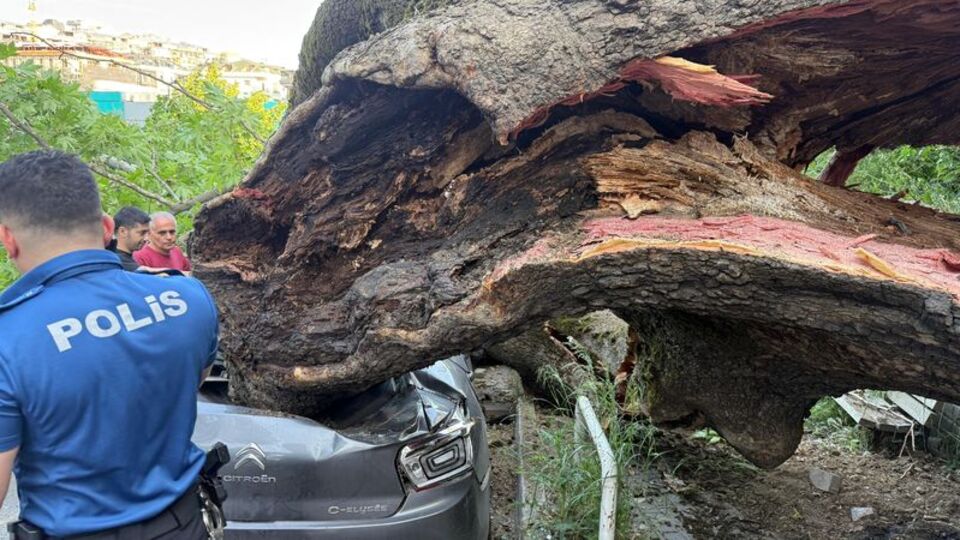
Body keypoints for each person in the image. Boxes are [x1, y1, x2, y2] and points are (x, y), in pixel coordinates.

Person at [0, 150, 219, 538]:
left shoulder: (9, 337)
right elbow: (189, 384)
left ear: (7, 239)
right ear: (106, 227)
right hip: (185, 526)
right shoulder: (189, 298)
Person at [107, 206, 150, 271]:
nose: (146, 238)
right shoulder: (116, 263)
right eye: (142, 233)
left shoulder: (108, 253)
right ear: (122, 231)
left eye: (147, 233)